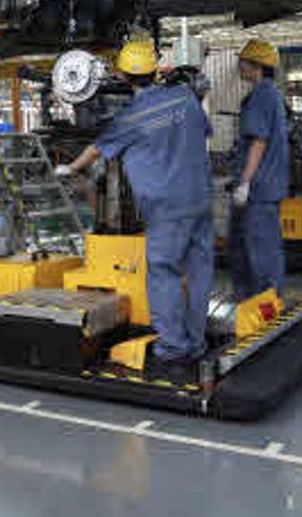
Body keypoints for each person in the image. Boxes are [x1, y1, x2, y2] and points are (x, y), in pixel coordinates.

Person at [56, 41, 213, 383]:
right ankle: (197, 342)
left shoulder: (131, 116)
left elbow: (97, 149)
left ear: (125, 76)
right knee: (199, 273)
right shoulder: (186, 98)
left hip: (167, 207)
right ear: (155, 71)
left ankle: (173, 349)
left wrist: (70, 169)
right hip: (200, 200)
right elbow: (204, 131)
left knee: (164, 273)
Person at [228, 37, 290, 301]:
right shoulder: (266, 94)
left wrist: (245, 183)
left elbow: (259, 141)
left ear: (256, 66)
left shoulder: (263, 94)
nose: (238, 67)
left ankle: (267, 306)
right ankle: (248, 302)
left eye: (242, 62)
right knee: (240, 247)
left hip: (259, 189)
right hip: (260, 188)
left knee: (261, 251)